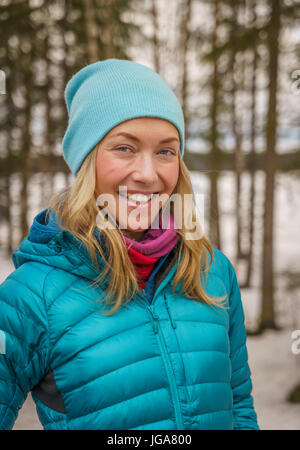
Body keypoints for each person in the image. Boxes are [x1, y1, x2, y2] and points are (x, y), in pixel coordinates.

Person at [0, 59, 259, 430]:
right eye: (124, 148)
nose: (147, 174)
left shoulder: (211, 271)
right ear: (87, 162)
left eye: (166, 151)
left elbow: (238, 406)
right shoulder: (31, 296)